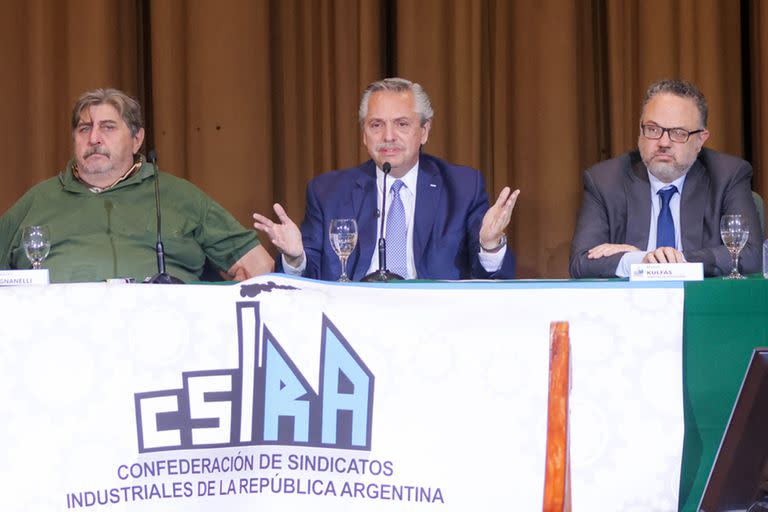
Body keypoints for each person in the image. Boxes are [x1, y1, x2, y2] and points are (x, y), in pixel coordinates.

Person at [253, 77, 519, 281]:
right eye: (376, 125)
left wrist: (490, 245)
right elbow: (306, 281)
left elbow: (492, 282)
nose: (388, 136)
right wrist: (295, 257)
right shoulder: (327, 192)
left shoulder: (461, 187)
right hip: (351, 322)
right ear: (364, 135)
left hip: (434, 325)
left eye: (402, 124)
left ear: (424, 131)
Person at [0, 88, 273, 282]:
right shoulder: (38, 199)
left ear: (137, 139)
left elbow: (259, 266)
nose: (94, 138)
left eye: (108, 127)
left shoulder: (177, 196)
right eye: (84, 129)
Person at [569, 79, 761, 278]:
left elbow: (750, 255)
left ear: (700, 139)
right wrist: (638, 260)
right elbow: (580, 262)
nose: (663, 142)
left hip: (701, 303)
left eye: (678, 133)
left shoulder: (727, 175)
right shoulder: (605, 180)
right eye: (653, 129)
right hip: (630, 305)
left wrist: (673, 262)